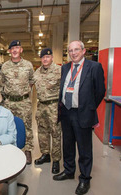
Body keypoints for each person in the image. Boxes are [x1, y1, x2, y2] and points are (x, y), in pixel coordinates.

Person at [53, 40, 105, 195]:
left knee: (84, 148)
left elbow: (100, 91)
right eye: (70, 50)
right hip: (66, 112)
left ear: (83, 51)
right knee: (67, 144)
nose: (73, 53)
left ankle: (84, 178)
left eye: (76, 50)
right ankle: (69, 171)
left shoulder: (94, 67)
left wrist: (88, 107)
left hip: (82, 112)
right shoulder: (65, 67)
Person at [0, 40, 34, 164]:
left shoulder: (28, 65)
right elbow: (2, 82)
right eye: (12, 48)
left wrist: (22, 92)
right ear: (9, 51)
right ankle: (10, 149)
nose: (14, 50)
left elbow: (31, 81)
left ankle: (28, 151)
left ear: (21, 50)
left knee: (27, 126)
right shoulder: (5, 66)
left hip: (24, 102)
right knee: (8, 126)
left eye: (17, 48)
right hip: (8, 101)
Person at [33, 48, 61, 174]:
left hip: (54, 105)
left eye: (47, 57)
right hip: (41, 105)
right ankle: (46, 154)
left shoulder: (59, 71)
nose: (45, 59)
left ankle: (56, 160)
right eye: (43, 57)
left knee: (55, 133)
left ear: (52, 57)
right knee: (42, 131)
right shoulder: (37, 72)